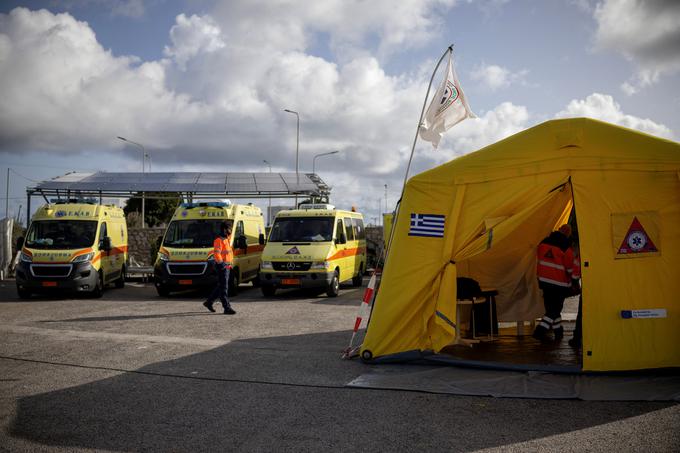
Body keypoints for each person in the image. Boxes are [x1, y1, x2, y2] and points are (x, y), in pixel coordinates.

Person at [532, 224, 577, 342]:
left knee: (551, 308)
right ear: (568, 234)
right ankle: (540, 331)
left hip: (543, 281)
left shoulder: (543, 242)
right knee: (555, 309)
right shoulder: (566, 247)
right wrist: (574, 280)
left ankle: (558, 332)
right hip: (559, 283)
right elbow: (569, 268)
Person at [203, 221, 236, 315]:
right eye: (229, 229)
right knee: (224, 287)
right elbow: (217, 253)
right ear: (225, 229)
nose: (230, 231)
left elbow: (229, 252)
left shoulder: (226, 239)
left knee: (221, 286)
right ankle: (227, 307)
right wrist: (222, 264)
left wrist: (230, 263)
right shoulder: (219, 240)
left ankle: (209, 302)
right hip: (222, 266)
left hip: (227, 265)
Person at [568, 251, 583, 348]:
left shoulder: (583, 252)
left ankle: (577, 339)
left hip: (588, 291)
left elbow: (575, 275)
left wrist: (576, 287)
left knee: (582, 315)